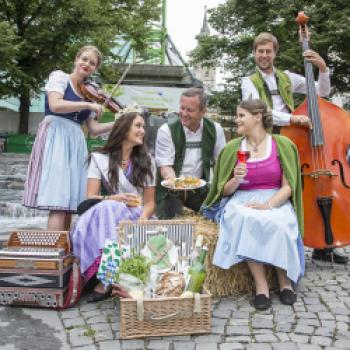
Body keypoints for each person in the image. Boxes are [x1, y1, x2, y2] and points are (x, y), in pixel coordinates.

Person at [241, 32, 348, 264]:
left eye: (268, 51)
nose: (264, 55)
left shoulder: (287, 77)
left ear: (274, 53)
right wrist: (293, 119)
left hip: (293, 141)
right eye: (260, 51)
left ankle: (322, 245)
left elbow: (321, 93)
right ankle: (274, 251)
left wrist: (323, 69)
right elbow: (259, 112)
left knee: (301, 191)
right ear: (254, 53)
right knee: (279, 193)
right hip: (266, 141)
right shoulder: (248, 81)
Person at [202, 99, 305, 310]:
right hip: (242, 198)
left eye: (241, 115)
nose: (236, 119)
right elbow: (224, 191)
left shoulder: (282, 145)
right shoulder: (233, 148)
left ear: (257, 117)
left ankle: (285, 282)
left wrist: (269, 205)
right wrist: (236, 179)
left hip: (274, 197)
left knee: (282, 223)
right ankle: (261, 286)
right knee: (245, 219)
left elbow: (288, 187)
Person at [23, 45, 115, 231]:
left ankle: (65, 252)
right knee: (58, 201)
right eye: (84, 59)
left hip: (76, 139)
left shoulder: (91, 93)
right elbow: (55, 105)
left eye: (92, 63)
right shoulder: (60, 77)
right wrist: (88, 105)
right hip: (55, 134)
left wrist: (120, 123)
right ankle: (52, 254)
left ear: (95, 69)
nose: (87, 64)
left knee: (69, 204)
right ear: (76, 59)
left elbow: (94, 129)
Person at [70, 111, 156, 302]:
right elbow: (91, 196)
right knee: (110, 208)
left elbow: (150, 203)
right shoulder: (99, 159)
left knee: (111, 209)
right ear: (123, 128)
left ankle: (106, 279)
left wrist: (143, 219)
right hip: (107, 212)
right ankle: (104, 273)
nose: (143, 131)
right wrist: (114, 198)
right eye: (138, 126)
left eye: (143, 127)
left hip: (136, 215)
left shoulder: (148, 161)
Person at [155, 87, 226, 219]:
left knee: (220, 215)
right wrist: (175, 183)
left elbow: (221, 163)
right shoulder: (167, 130)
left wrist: (219, 189)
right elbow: (165, 167)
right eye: (182, 108)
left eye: (190, 110)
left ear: (203, 111)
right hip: (171, 190)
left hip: (200, 188)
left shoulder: (215, 129)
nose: (184, 113)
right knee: (169, 222)